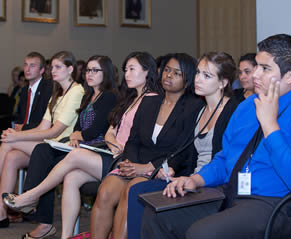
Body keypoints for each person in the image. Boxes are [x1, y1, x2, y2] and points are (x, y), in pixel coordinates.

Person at [140, 34, 291, 239]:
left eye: (265, 68)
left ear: (290, 76)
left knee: (202, 233)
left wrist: (270, 125)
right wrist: (196, 179)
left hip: (278, 203)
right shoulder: (247, 105)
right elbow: (226, 156)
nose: (255, 74)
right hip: (232, 193)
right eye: (256, 66)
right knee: (157, 216)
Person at [3, 51, 161, 238]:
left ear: (147, 71)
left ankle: (31, 196)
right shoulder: (130, 98)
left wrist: (111, 143)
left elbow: (131, 137)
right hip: (110, 150)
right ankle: (66, 236)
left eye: (132, 69)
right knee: (71, 177)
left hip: (120, 158)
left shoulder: (149, 99)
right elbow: (109, 130)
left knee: (64, 153)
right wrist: (110, 141)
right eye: (125, 69)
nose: (127, 74)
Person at [90, 53, 204, 239]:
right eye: (167, 70)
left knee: (132, 189)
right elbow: (133, 139)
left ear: (188, 79)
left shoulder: (193, 107)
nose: (169, 75)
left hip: (164, 169)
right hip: (135, 163)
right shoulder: (150, 101)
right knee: (105, 191)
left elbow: (183, 150)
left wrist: (146, 168)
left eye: (177, 73)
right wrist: (129, 163)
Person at [127, 52, 240, 239]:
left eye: (207, 75)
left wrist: (189, 177)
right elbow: (187, 152)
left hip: (215, 185)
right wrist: (170, 169)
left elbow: (228, 161)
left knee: (152, 207)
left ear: (223, 83)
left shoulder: (233, 111)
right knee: (142, 197)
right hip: (193, 178)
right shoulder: (200, 109)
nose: (198, 79)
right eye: (198, 73)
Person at [0, 51, 84, 229]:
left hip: (63, 146)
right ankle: (1, 212)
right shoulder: (57, 93)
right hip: (48, 145)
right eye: (52, 66)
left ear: (70, 69)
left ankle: (8, 207)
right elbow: (42, 128)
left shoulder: (77, 91)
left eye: (58, 67)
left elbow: (55, 131)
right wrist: (16, 135)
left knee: (8, 142)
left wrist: (16, 136)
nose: (53, 70)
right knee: (11, 157)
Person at [14, 52, 53, 131]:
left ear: (41, 70)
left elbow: (46, 123)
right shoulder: (25, 90)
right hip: (23, 131)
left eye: (32, 65)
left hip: (39, 133)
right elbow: (20, 117)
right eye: (25, 65)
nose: (27, 69)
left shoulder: (48, 89)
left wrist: (23, 128)